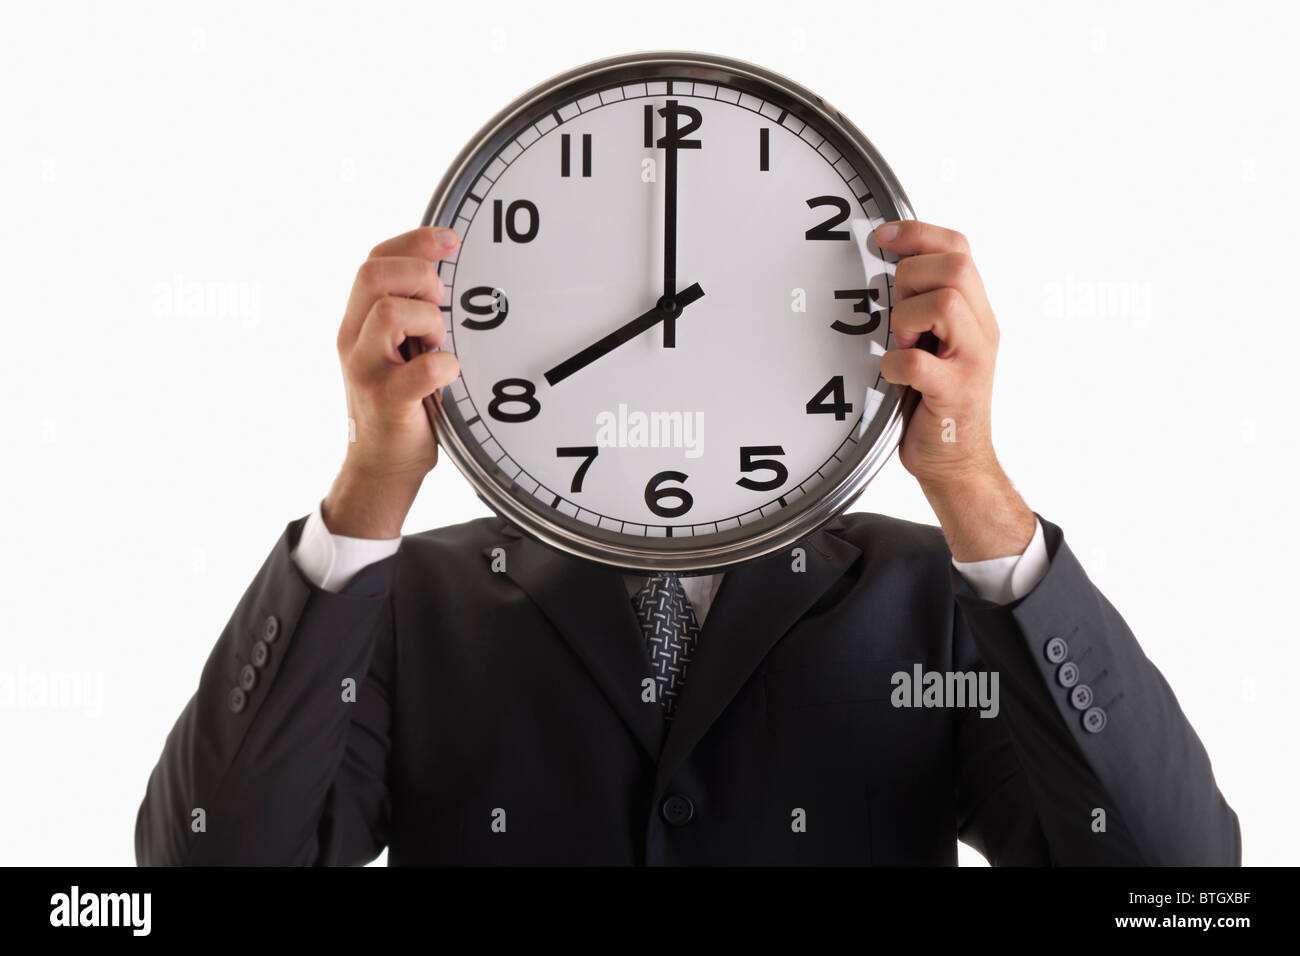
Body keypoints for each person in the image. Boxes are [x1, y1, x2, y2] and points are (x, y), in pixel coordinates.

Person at [134, 220, 1239, 866]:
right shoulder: (413, 598)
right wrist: (373, 482)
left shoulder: (930, 596)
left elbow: (1174, 880)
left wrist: (972, 485)